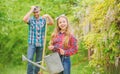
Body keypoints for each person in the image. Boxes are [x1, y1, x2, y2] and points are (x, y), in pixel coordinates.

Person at [23, 6, 54, 74]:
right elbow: (24, 19)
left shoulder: (43, 20)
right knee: (30, 59)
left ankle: (37, 72)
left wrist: (48, 16)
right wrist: (31, 10)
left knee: (39, 60)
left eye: (37, 11)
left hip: (40, 43)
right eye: (34, 12)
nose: (36, 13)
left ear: (40, 11)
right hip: (32, 43)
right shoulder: (31, 20)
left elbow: (52, 23)